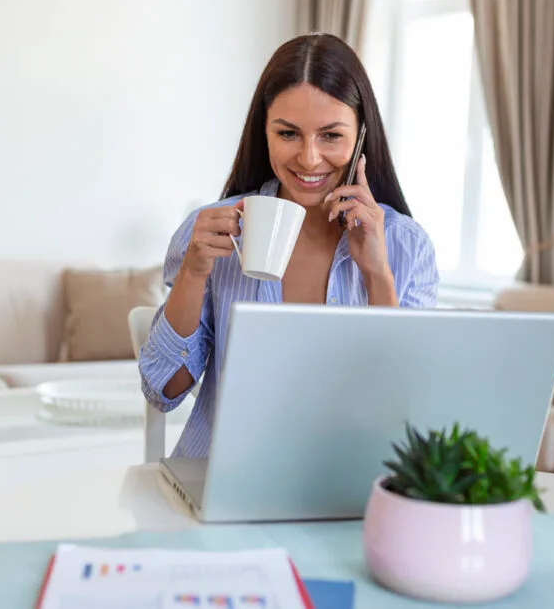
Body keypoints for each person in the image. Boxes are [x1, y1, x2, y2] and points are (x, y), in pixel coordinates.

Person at [138, 32, 439, 458]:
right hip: (221, 484)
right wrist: (193, 271)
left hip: (346, 494)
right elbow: (162, 390)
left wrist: (377, 274)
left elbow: (403, 409)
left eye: (331, 136)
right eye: (289, 134)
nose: (309, 158)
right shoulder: (212, 231)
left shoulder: (405, 245)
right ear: (264, 131)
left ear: (361, 136)